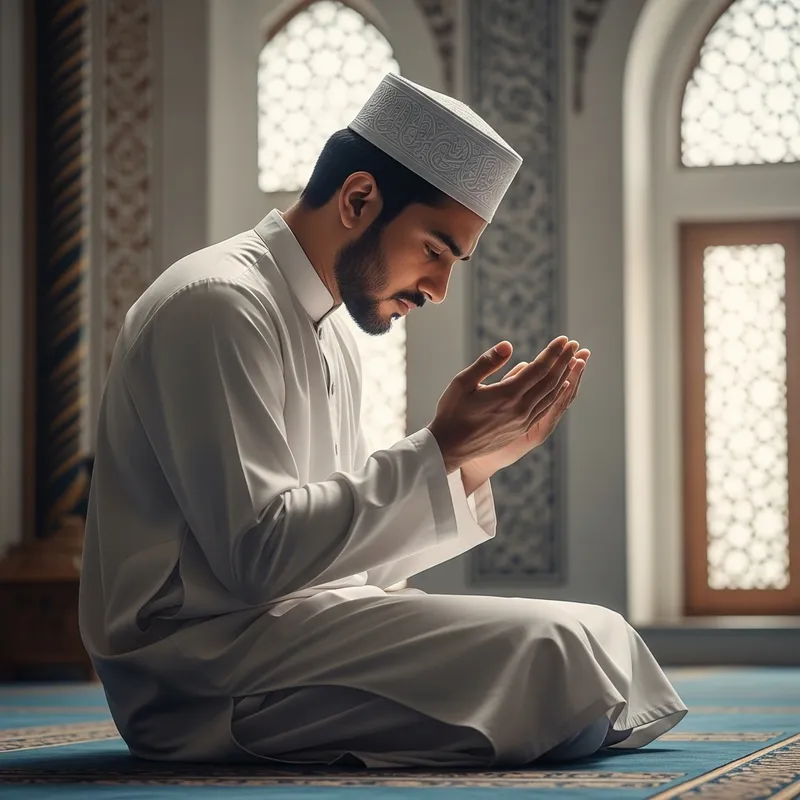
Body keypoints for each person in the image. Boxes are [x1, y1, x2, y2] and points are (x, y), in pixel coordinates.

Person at [79, 73, 686, 768]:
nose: (438, 289)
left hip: (286, 626)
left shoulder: (332, 329)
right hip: (200, 661)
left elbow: (339, 557)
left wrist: (470, 462)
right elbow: (257, 558)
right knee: (556, 651)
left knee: (596, 635)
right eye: (435, 250)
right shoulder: (217, 302)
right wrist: (438, 448)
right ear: (359, 199)